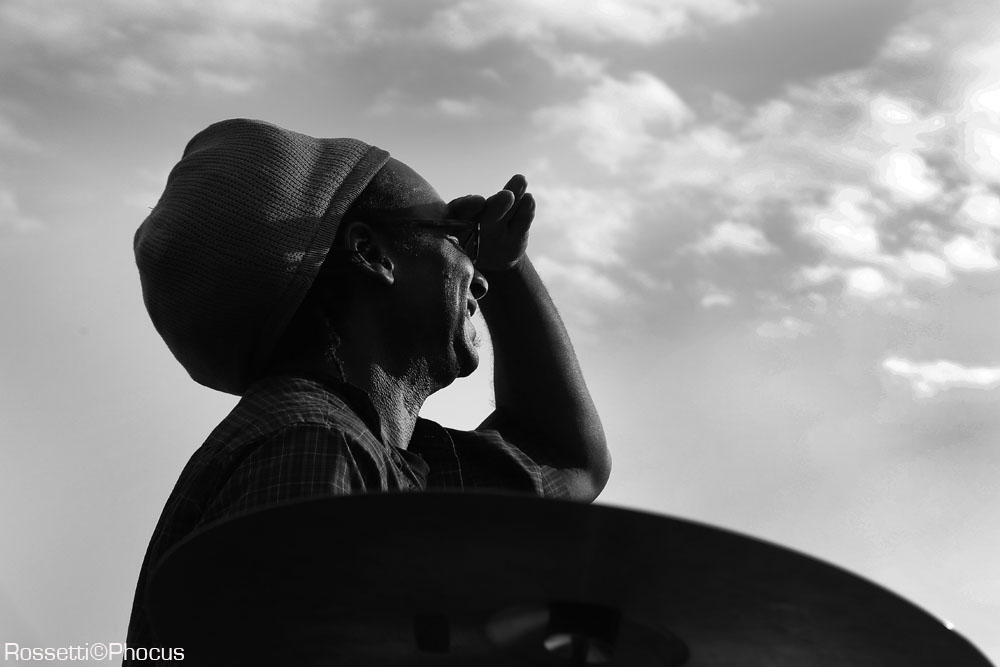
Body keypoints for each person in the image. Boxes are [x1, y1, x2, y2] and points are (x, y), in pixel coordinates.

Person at [124, 118, 610, 654]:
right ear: (371, 253)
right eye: (456, 238)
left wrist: (508, 262)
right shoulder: (314, 443)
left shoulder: (379, 455)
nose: (481, 276)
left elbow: (566, 463)